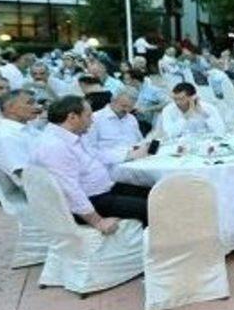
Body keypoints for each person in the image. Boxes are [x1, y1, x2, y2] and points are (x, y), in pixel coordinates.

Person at [30, 96, 153, 231]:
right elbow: (69, 190)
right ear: (72, 117)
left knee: (156, 192)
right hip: (92, 200)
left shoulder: (74, 135)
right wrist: (97, 221)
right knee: (153, 207)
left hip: (104, 189)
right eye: (88, 116)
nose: (92, 120)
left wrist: (130, 155)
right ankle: (156, 241)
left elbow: (97, 156)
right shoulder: (54, 146)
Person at [0, 90, 41, 187]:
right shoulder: (7, 137)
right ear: (10, 108)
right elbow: (26, 177)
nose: (37, 107)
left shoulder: (26, 128)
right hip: (36, 189)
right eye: (30, 103)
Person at [87, 88, 145, 164]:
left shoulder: (131, 119)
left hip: (134, 161)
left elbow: (139, 142)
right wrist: (123, 157)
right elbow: (90, 150)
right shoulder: (96, 119)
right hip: (108, 164)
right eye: (123, 106)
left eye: (130, 107)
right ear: (113, 100)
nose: (126, 110)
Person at [158, 82, 225, 137]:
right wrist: (186, 117)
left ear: (193, 97)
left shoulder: (208, 107)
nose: (177, 102)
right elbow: (169, 133)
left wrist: (203, 113)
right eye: (175, 99)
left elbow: (220, 130)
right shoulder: (168, 110)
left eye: (181, 99)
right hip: (180, 145)